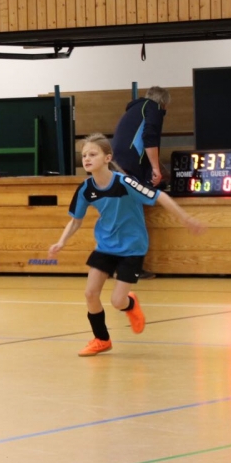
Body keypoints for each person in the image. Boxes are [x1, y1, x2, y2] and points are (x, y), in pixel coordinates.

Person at [48, 134, 205, 357]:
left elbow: (159, 196)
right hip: (105, 246)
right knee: (90, 293)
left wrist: (186, 218)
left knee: (117, 301)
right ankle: (101, 339)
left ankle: (130, 304)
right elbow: (75, 220)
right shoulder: (86, 188)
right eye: (84, 156)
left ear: (107, 158)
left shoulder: (125, 183)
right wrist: (61, 241)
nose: (87, 159)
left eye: (93, 154)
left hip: (132, 247)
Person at [112, 86, 170, 188]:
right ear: (163, 104)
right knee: (150, 188)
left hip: (117, 158)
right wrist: (155, 168)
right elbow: (149, 137)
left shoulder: (134, 109)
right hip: (133, 159)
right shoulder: (154, 107)